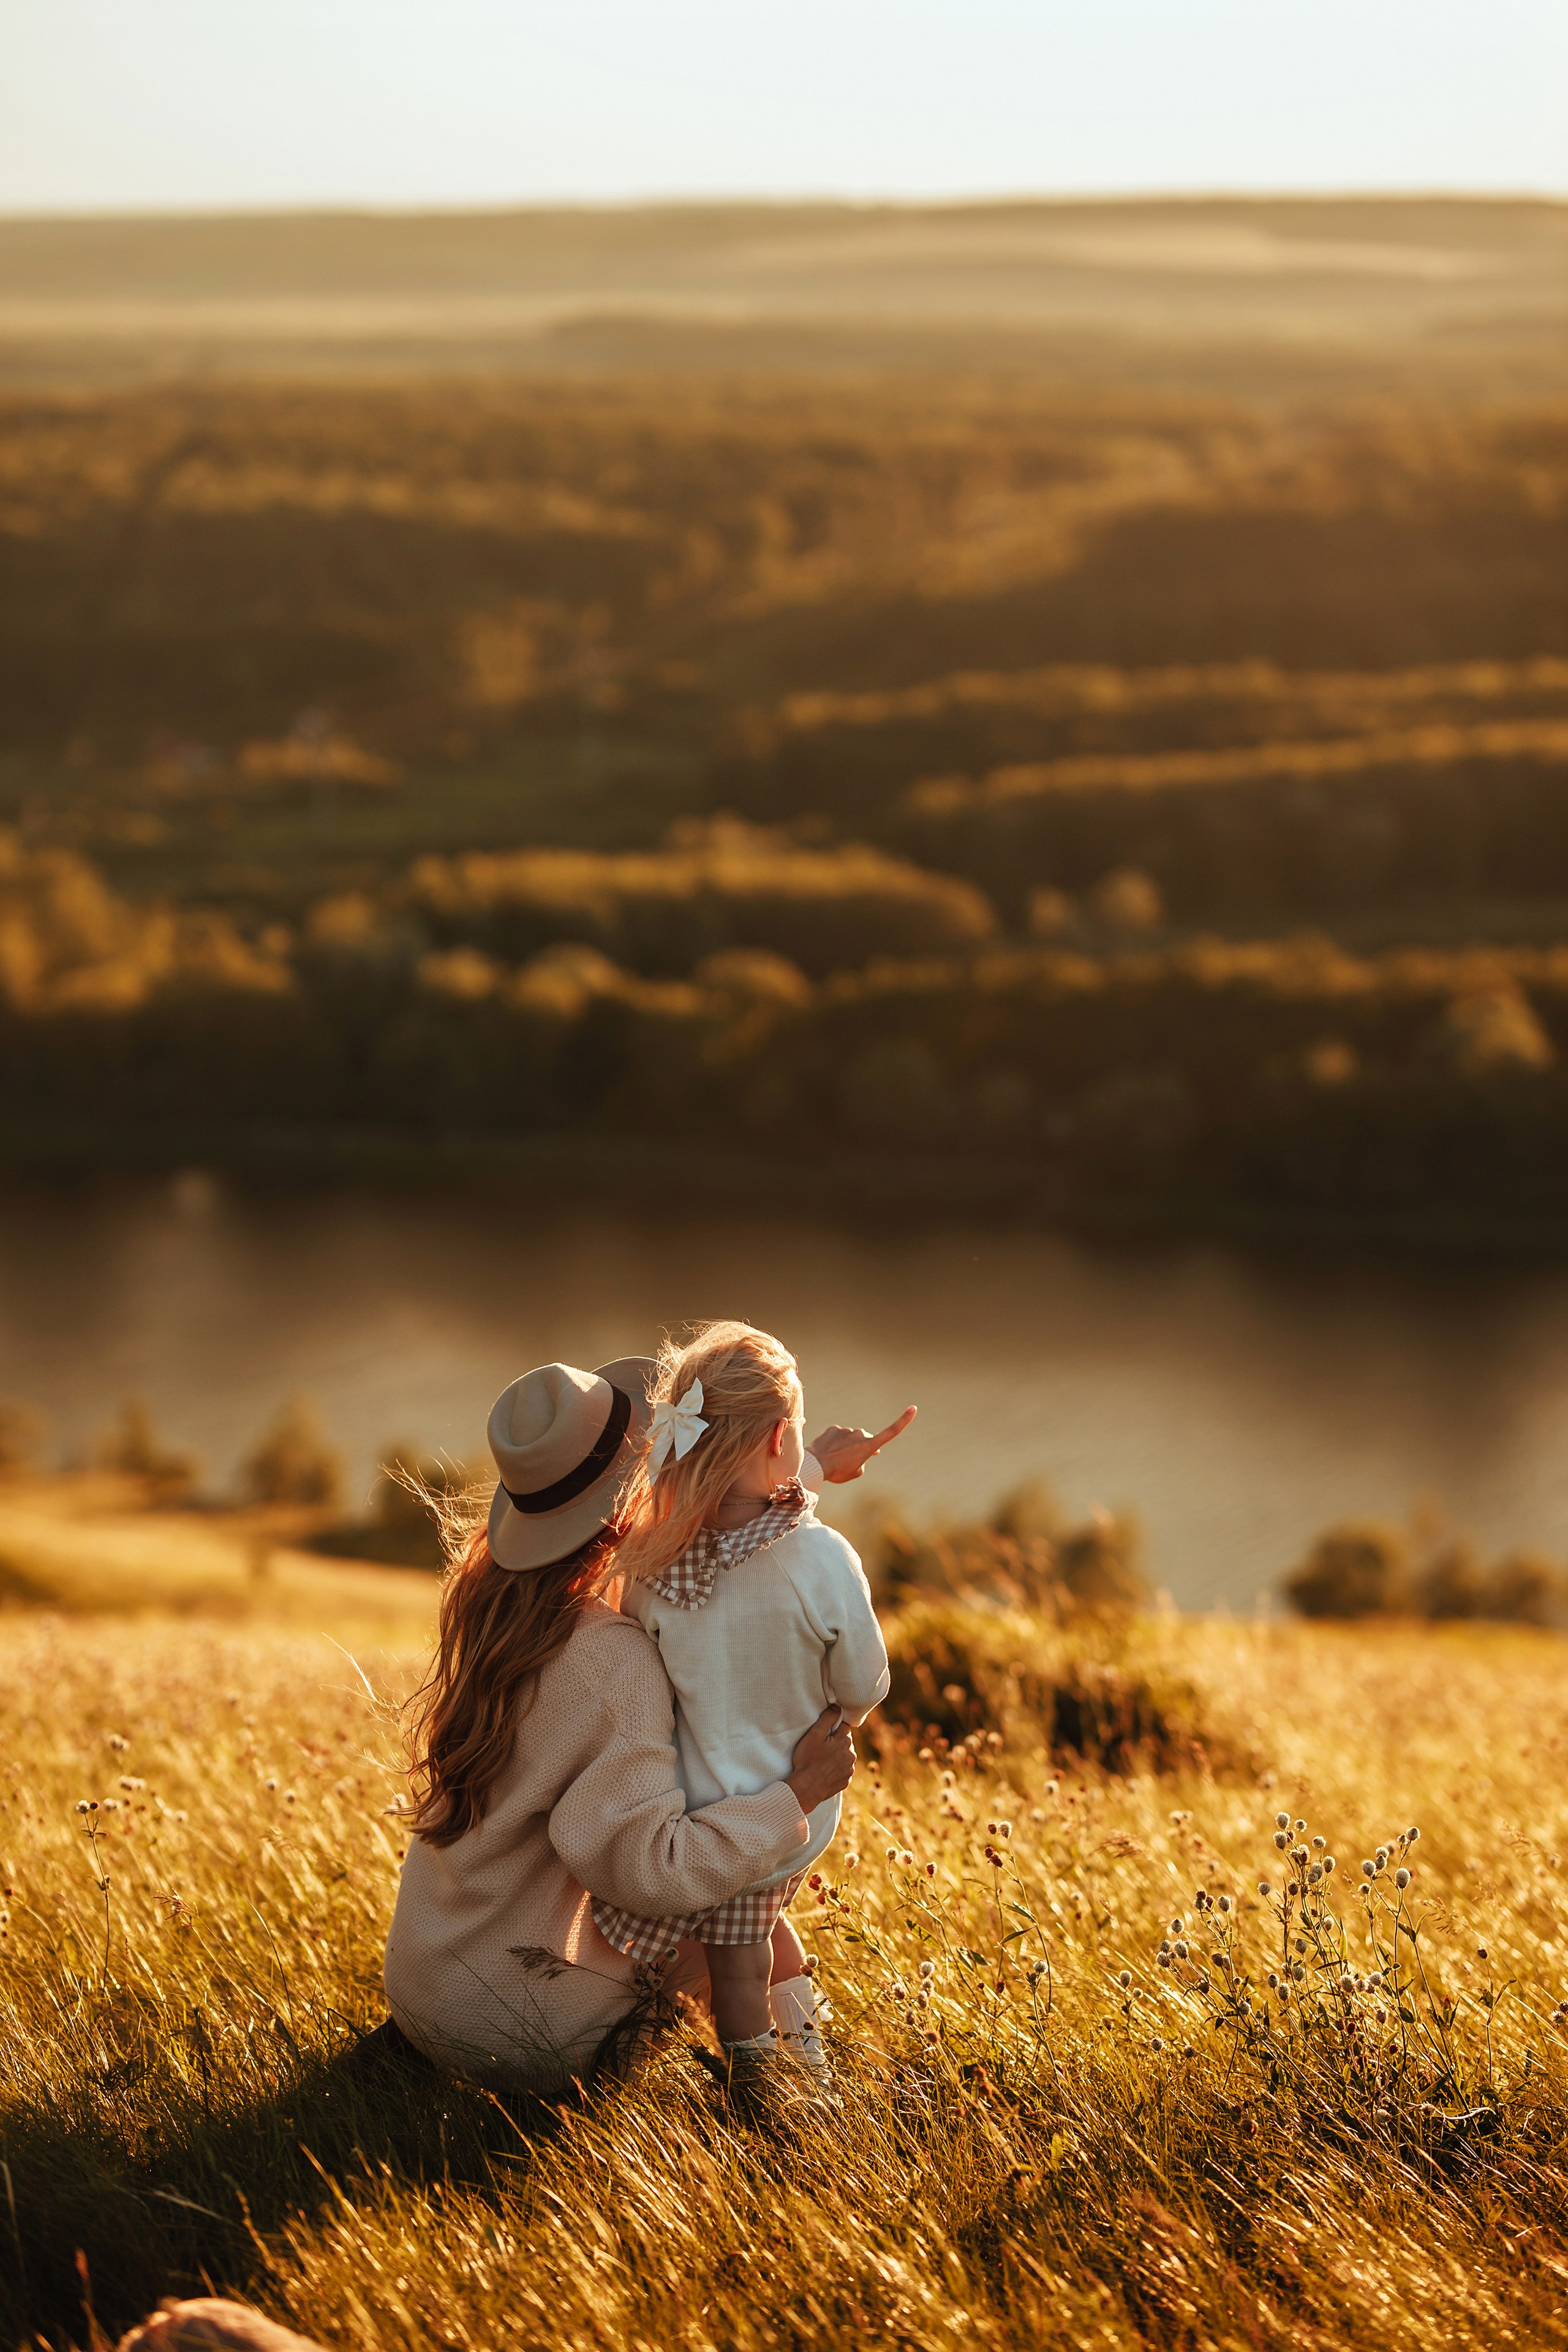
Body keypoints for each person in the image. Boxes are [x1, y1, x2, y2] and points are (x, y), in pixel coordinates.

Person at [381, 1351, 913, 2094]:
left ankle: (807, 2082)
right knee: (737, 1918)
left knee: (739, 1898)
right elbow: (654, 1873)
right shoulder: (614, 1660)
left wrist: (806, 1468)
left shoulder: (497, 1602)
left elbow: (709, 1545)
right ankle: (798, 2096)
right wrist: (795, 1796)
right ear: (630, 1493)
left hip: (432, 1979)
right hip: (521, 2021)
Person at [592, 1322, 889, 2083]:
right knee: (739, 1961)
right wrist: (840, 1719)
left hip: (697, 1806)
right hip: (780, 1806)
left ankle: (803, 2069)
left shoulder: (650, 1561)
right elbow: (865, 1682)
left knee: (748, 1931)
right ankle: (769, 2091)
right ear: (781, 1437)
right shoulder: (819, 1556)